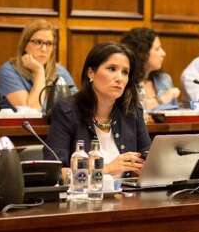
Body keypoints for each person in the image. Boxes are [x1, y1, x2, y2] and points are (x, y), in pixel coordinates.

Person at [47, 42, 150, 177]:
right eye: (112, 69)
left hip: (126, 190)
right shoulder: (67, 110)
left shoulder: (132, 110)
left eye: (125, 72)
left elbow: (149, 158)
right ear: (91, 73)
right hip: (84, 190)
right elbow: (55, 173)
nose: (119, 78)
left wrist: (146, 168)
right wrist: (106, 169)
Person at [0, 20, 76, 111]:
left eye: (49, 44)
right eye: (38, 42)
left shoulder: (60, 71)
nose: (44, 49)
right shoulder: (9, 71)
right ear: (25, 45)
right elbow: (31, 111)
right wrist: (39, 72)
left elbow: (78, 108)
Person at [120, 28, 180, 110]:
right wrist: (160, 100)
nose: (163, 53)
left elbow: (174, 111)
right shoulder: (125, 81)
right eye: (157, 49)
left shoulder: (164, 79)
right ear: (142, 53)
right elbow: (131, 110)